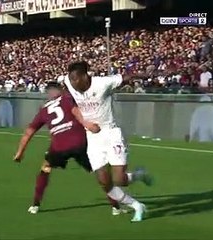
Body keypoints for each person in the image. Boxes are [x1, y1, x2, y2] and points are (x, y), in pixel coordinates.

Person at [64, 61, 153, 222]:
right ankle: (136, 205)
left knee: (119, 179)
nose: (73, 83)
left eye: (76, 79)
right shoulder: (68, 83)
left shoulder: (103, 83)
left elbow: (127, 77)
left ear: (85, 76)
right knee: (104, 182)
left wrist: (150, 73)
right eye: (71, 80)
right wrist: (85, 123)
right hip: (93, 137)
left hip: (112, 133)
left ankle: (139, 175)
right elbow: (72, 106)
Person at [13, 81, 105, 214]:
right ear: (60, 89)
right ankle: (116, 206)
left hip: (59, 147)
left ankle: (35, 205)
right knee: (100, 172)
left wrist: (20, 152)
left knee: (45, 167)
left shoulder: (44, 109)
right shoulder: (68, 97)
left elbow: (29, 132)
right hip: (80, 142)